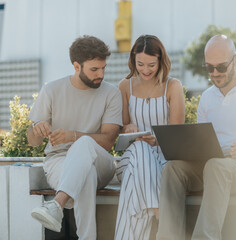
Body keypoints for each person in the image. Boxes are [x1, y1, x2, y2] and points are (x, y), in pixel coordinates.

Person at [157, 35, 236, 240]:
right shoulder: (208, 97)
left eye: (221, 67)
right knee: (172, 170)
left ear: (235, 60)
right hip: (216, 165)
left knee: (216, 167)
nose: (215, 73)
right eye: (209, 68)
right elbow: (202, 143)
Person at [28, 35, 123, 239]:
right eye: (94, 69)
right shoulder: (52, 90)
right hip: (59, 162)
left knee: (84, 145)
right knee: (84, 172)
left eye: (103, 68)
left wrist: (73, 136)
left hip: (102, 163)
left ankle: (57, 205)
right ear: (76, 66)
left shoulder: (111, 94)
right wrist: (37, 127)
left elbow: (107, 142)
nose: (101, 74)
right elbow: (33, 142)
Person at [113, 35, 185, 240]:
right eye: (140, 64)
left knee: (133, 189)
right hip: (131, 159)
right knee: (138, 149)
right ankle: (159, 210)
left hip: (162, 161)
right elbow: (122, 131)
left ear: (161, 61)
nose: (145, 70)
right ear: (133, 61)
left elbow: (177, 135)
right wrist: (128, 128)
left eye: (151, 65)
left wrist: (156, 140)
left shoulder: (173, 87)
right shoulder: (125, 86)